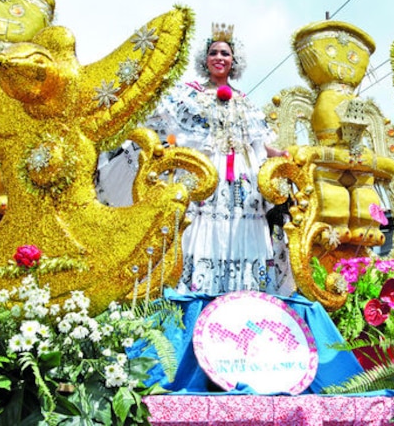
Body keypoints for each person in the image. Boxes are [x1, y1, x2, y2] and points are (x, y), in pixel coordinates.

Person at [96, 23, 293, 297]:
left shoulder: (245, 101)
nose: (219, 58)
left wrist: (279, 155)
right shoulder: (189, 94)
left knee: (242, 226)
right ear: (205, 59)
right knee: (195, 225)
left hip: (241, 183)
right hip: (202, 176)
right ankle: (194, 291)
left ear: (234, 61)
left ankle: (244, 294)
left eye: (225, 53)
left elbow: (258, 141)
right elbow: (164, 123)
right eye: (214, 52)